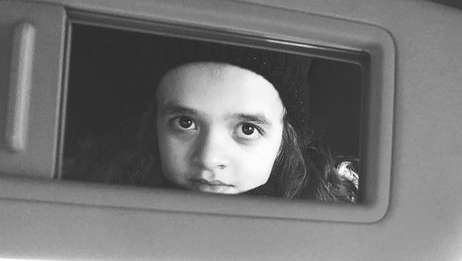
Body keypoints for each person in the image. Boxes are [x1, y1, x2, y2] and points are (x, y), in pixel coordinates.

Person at [64, 37, 358, 203]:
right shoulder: (95, 202)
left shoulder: (327, 232)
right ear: (153, 125)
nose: (209, 158)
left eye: (247, 129)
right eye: (185, 123)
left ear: (285, 137)